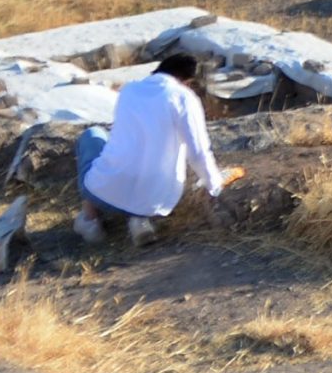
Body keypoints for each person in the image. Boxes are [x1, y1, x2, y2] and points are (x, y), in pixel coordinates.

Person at [75, 51, 230, 247]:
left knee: (92, 135)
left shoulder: (129, 90)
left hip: (103, 193)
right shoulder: (184, 97)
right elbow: (198, 151)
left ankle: (90, 221)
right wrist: (214, 185)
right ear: (187, 81)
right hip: (157, 202)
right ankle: (139, 221)